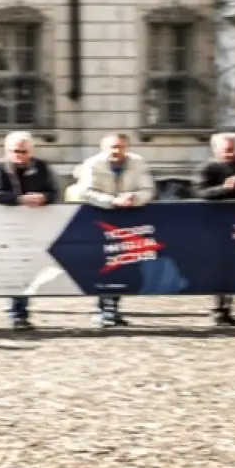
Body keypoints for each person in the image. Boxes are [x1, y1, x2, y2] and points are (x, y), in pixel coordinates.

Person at [71, 134, 155, 329]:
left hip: (128, 220)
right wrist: (111, 201)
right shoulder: (92, 164)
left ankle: (113, 308)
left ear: (127, 147)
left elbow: (148, 189)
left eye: (120, 147)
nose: (116, 151)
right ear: (103, 148)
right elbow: (86, 191)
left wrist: (133, 198)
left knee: (123, 264)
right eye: (112, 147)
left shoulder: (138, 163)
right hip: (98, 219)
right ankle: (103, 309)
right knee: (102, 264)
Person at [0, 131, 57, 331]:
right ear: (7, 150)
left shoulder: (41, 167)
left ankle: (20, 311)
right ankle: (17, 313)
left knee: (29, 272)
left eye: (24, 151)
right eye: (15, 151)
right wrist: (20, 200)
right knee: (16, 271)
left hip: (36, 227)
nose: (19, 155)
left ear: (31, 150)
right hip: (7, 228)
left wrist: (43, 198)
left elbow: (54, 192)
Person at [194, 132, 235, 327]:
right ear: (216, 150)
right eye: (226, 150)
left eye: (233, 149)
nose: (230, 154)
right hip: (215, 224)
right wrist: (226, 188)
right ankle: (219, 309)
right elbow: (200, 192)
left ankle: (228, 308)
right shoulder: (207, 168)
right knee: (218, 266)